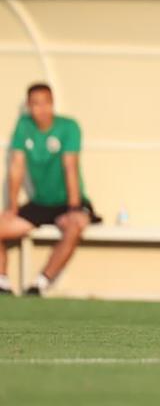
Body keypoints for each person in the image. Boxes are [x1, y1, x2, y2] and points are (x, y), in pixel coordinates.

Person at [0, 84, 98, 296]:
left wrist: (74, 207)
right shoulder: (24, 127)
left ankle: (40, 283)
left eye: (46, 103)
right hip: (41, 202)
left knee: (75, 226)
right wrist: (12, 206)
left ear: (53, 104)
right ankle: (3, 282)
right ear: (29, 106)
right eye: (36, 103)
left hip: (67, 201)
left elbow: (70, 167)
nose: (41, 109)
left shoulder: (69, 127)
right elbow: (16, 167)